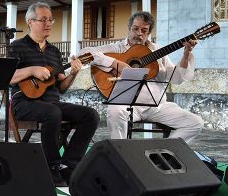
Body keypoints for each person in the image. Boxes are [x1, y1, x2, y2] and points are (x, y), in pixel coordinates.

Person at [8, 2, 99, 187]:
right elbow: (7, 78)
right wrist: (32, 70)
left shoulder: (55, 52)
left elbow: (62, 87)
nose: (48, 23)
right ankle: (52, 165)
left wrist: (73, 73)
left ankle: (69, 164)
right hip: (23, 102)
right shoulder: (16, 46)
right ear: (30, 22)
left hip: (51, 103)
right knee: (52, 112)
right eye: (43, 20)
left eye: (51, 20)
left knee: (91, 115)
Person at [80, 11, 203, 143]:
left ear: (148, 33)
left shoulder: (157, 51)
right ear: (129, 28)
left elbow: (177, 78)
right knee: (115, 110)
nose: (139, 33)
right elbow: (83, 53)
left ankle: (163, 153)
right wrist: (117, 64)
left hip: (158, 106)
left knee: (195, 123)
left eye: (144, 30)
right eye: (135, 29)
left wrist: (186, 54)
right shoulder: (117, 48)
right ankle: (121, 153)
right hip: (127, 106)